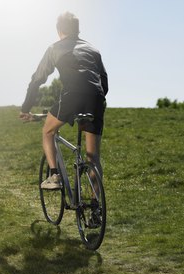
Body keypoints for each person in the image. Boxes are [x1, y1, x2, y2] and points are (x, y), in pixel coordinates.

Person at [20, 12, 108, 190]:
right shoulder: (93, 50)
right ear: (78, 30)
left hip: (72, 95)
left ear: (59, 30)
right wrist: (94, 102)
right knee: (93, 158)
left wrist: (26, 107)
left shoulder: (55, 48)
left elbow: (38, 79)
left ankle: (54, 176)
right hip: (96, 98)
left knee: (47, 132)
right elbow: (104, 81)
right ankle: (96, 212)